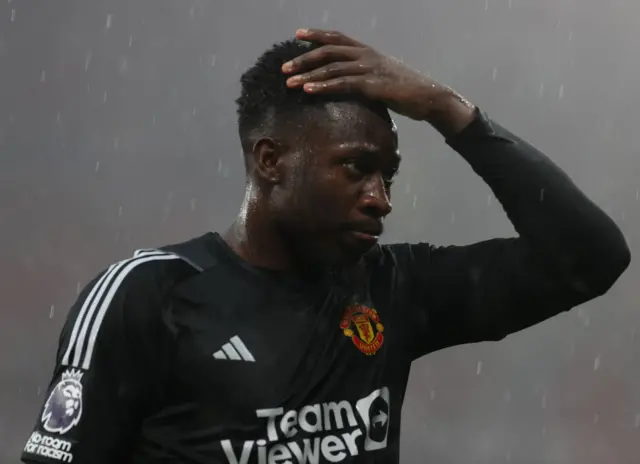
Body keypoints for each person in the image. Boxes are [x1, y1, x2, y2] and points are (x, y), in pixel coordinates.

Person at [21, 29, 630, 464]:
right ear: (270, 161)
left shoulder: (393, 288)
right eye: (357, 168)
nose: (380, 198)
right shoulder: (148, 294)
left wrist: (452, 113)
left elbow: (592, 258)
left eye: (388, 175)